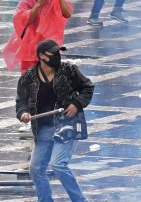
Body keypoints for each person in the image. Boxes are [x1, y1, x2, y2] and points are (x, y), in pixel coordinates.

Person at [16, 39, 93, 202]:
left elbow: (87, 87)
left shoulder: (69, 70)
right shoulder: (29, 77)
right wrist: (23, 113)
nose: (58, 56)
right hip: (43, 128)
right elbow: (21, 101)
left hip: (67, 124)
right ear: (42, 56)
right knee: (36, 168)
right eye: (54, 53)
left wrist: (76, 104)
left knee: (58, 164)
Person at [4, 0, 73, 72]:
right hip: (30, 48)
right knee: (29, 81)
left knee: (49, 81)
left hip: (49, 47)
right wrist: (38, 4)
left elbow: (67, 14)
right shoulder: (26, 0)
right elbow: (25, 21)